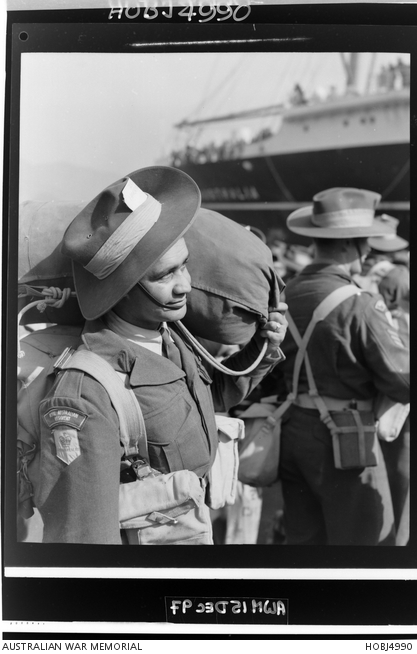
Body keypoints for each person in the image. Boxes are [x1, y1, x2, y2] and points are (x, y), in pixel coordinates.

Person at [17, 165, 288, 545]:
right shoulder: (86, 394)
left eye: (185, 265)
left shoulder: (170, 337)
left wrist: (264, 347)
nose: (186, 285)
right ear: (120, 291)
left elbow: (206, 401)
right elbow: (84, 537)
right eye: (165, 276)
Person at [276, 187, 409, 546]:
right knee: (368, 551)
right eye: (365, 242)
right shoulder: (361, 304)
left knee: (306, 550)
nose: (367, 251)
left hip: (291, 433)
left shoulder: (285, 293)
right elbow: (403, 382)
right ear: (352, 245)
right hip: (346, 442)